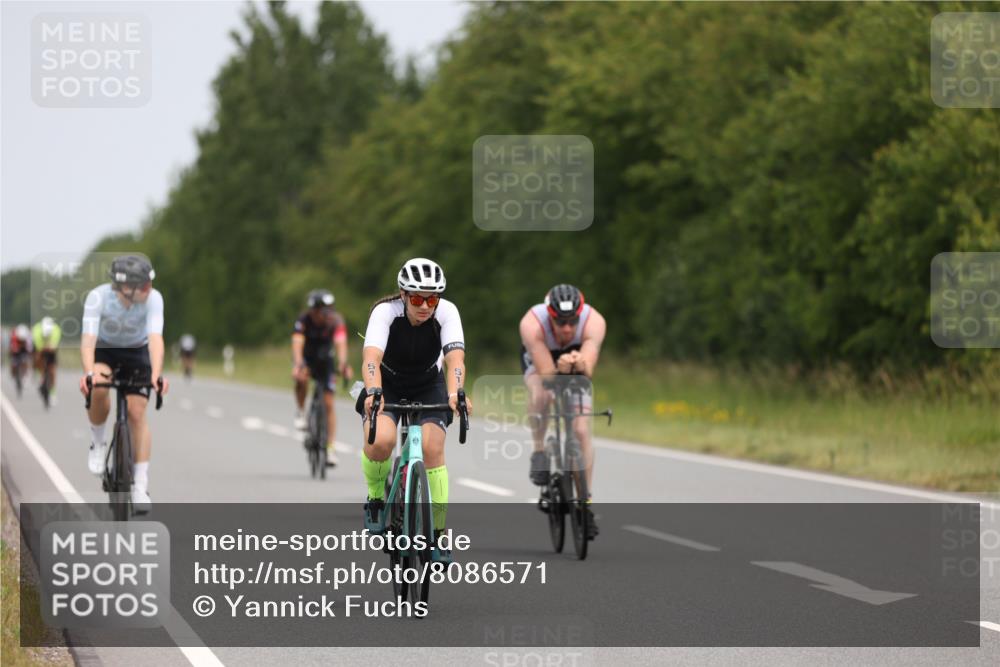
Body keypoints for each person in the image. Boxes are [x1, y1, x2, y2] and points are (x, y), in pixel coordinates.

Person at [357, 258, 471, 563]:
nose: (425, 306)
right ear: (404, 295)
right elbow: (371, 357)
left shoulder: (447, 312)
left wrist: (455, 393)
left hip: (427, 383)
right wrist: (372, 392)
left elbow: (455, 359)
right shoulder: (385, 312)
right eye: (418, 298)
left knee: (433, 448)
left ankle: (439, 533)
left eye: (432, 298)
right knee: (381, 441)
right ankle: (376, 498)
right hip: (387, 382)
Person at [77, 254, 169, 514]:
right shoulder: (98, 297)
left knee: (137, 411)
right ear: (126, 288)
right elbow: (88, 339)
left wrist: (157, 374)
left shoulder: (154, 299)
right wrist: (88, 373)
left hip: (137, 352)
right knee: (99, 386)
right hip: (105, 350)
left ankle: (140, 484)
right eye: (144, 285)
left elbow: (155, 338)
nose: (149, 289)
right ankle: (97, 442)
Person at [518, 283, 606, 538]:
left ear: (580, 315)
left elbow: (587, 372)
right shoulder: (532, 323)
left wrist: (579, 364)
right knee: (542, 392)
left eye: (572, 321)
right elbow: (547, 375)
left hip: (574, 360)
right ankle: (539, 451)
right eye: (560, 322)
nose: (567, 328)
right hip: (542, 357)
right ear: (550, 316)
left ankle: (585, 504)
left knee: (580, 429)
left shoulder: (594, 322)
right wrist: (560, 367)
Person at [292, 289, 352, 466]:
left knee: (328, 404)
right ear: (313, 311)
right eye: (321, 310)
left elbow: (341, 344)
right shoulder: (303, 321)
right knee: (301, 379)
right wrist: (298, 365)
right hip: (307, 359)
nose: (326, 314)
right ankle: (301, 412)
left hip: (326, 361)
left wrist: (342, 364)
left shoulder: (336, 321)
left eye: (329, 309)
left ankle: (330, 448)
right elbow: (297, 345)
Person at [32, 316, 62, 404]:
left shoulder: (56, 331)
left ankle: (52, 393)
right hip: (40, 348)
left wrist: (50, 347)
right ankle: (39, 374)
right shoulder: (36, 331)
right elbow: (38, 348)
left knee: (52, 370)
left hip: (51, 349)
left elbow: (53, 347)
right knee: (37, 358)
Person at [9, 324, 33, 395]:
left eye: (23, 340)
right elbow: (11, 347)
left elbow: (30, 348)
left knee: (25, 361)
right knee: (13, 363)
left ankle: (25, 376)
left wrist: (29, 351)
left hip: (24, 351)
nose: (21, 340)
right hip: (15, 351)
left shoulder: (28, 337)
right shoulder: (14, 337)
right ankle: (13, 375)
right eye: (20, 339)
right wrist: (14, 349)